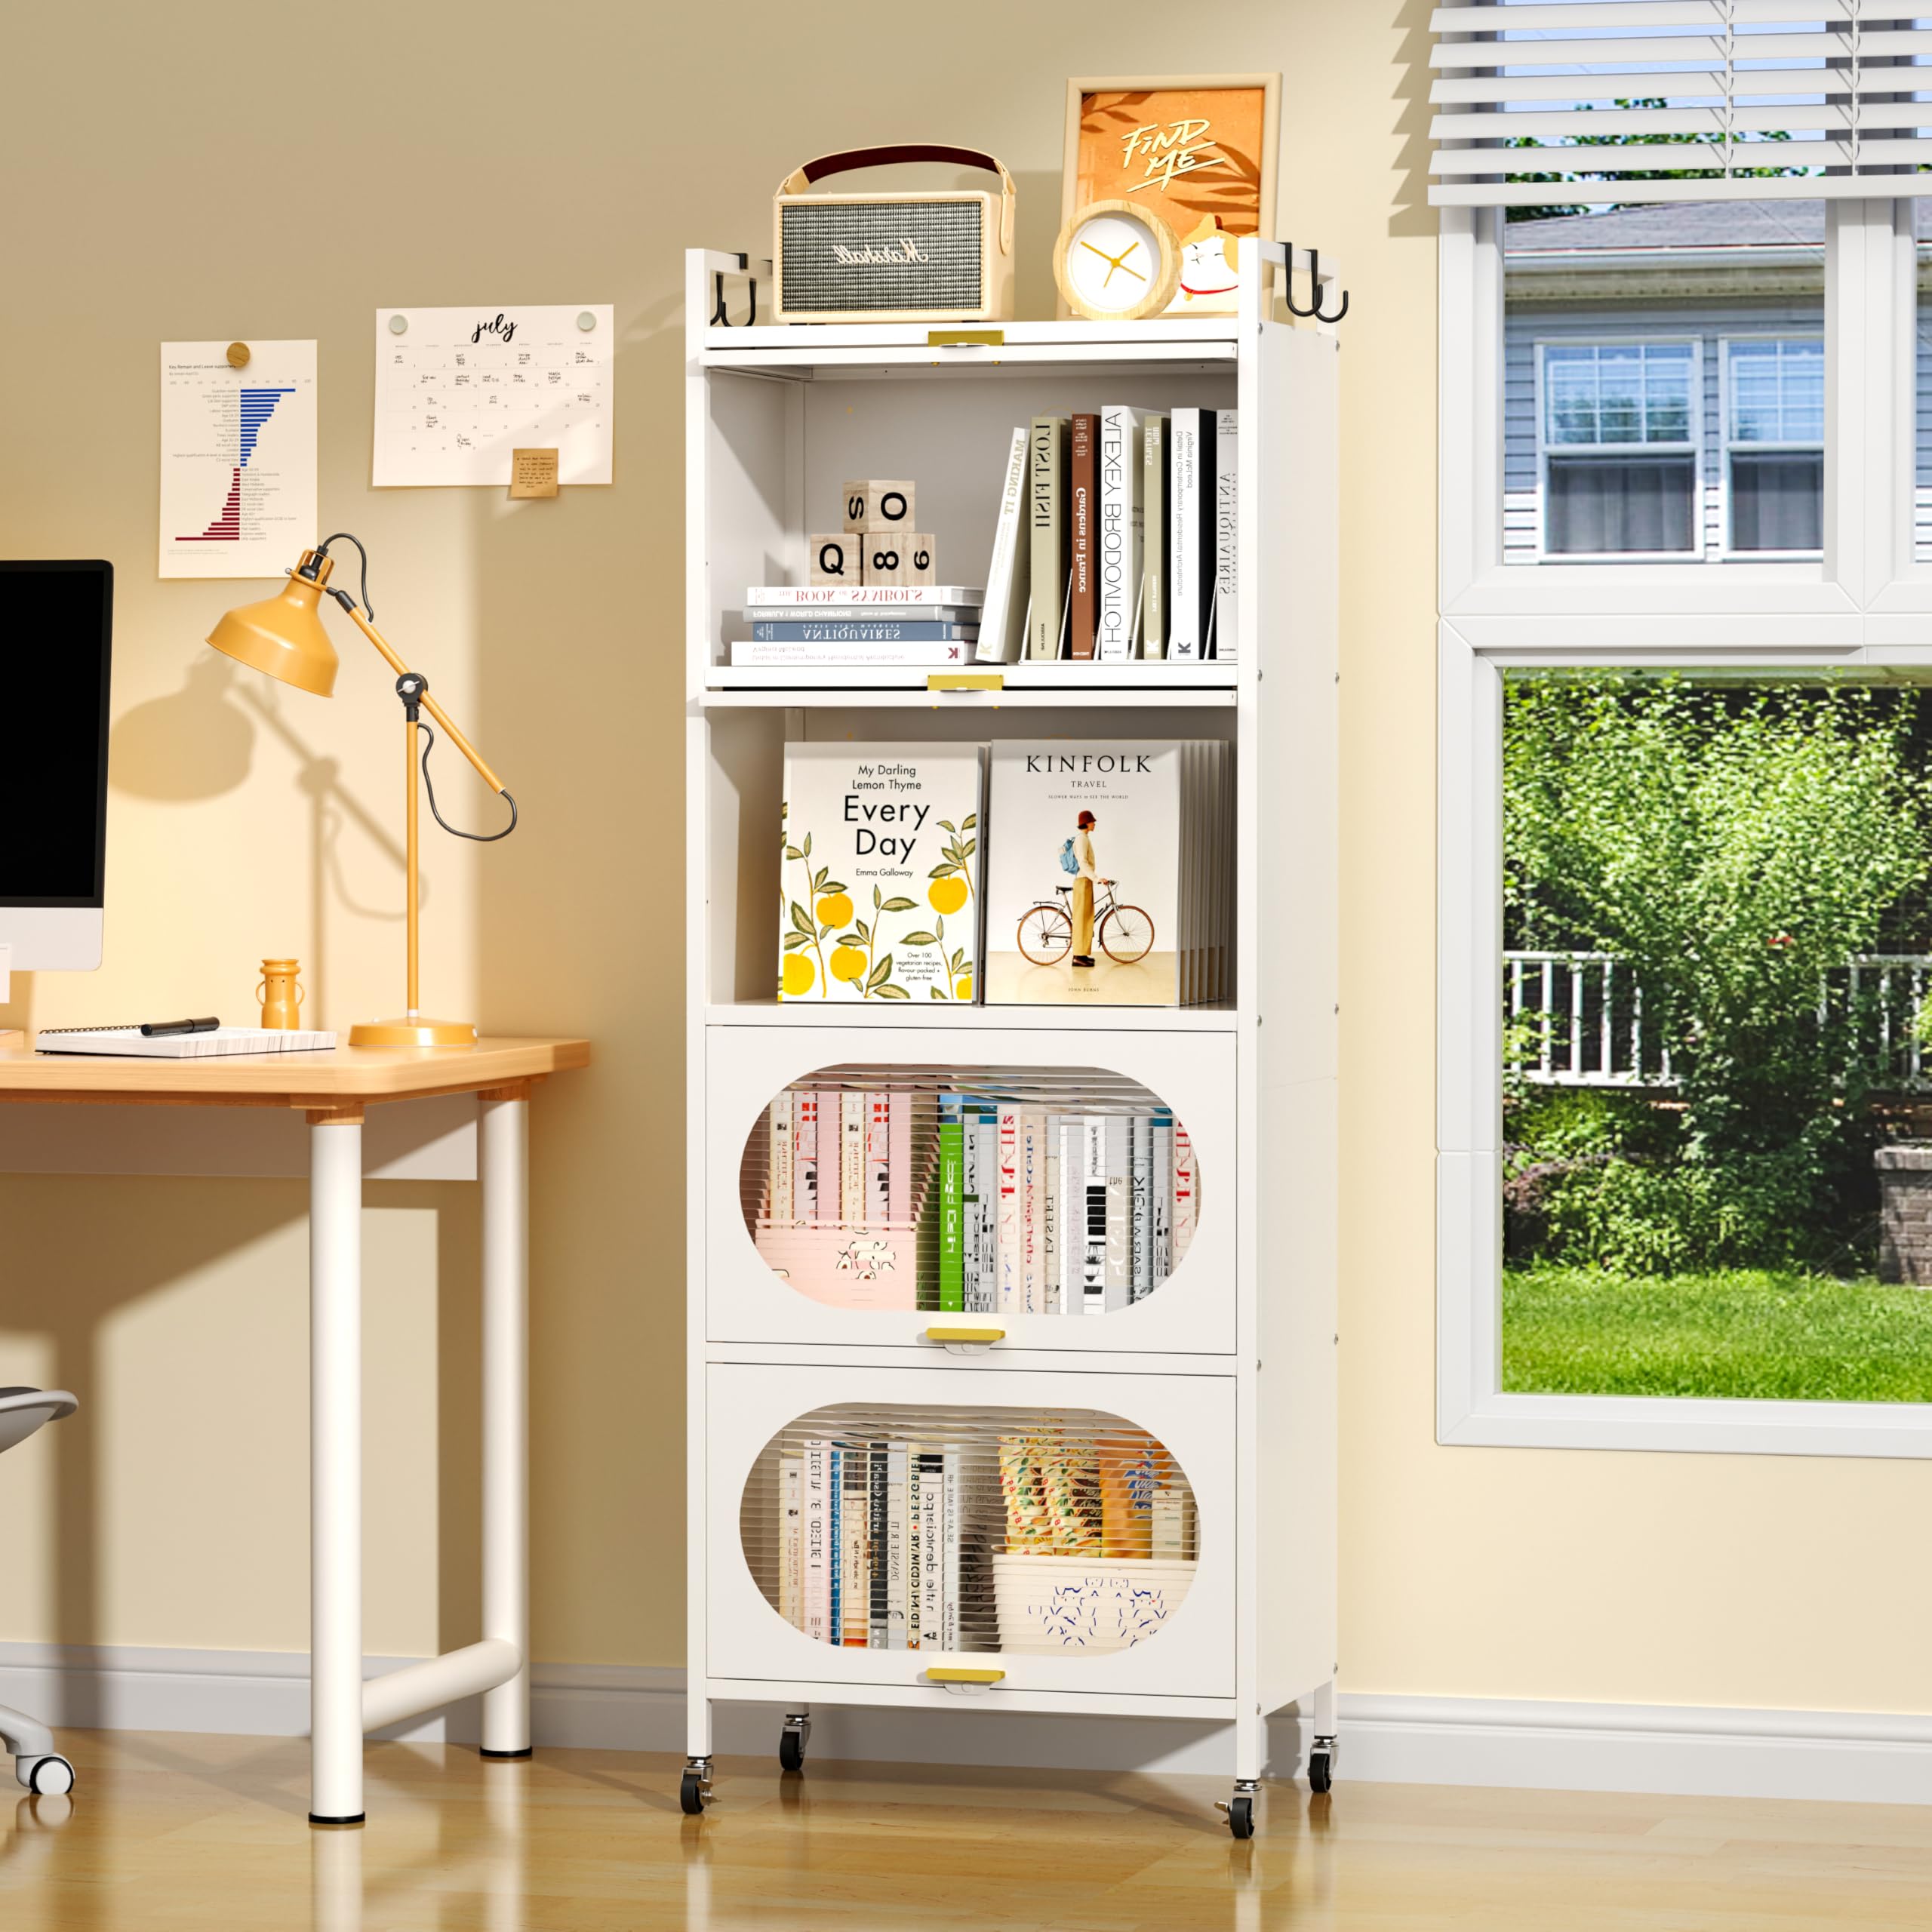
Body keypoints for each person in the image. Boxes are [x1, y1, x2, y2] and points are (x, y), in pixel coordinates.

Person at [1070, 809, 1099, 968]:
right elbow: (1082, 862)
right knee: (1081, 920)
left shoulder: (1084, 838)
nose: (1094, 824)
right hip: (1083, 881)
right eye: (1092, 821)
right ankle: (1078, 958)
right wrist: (1096, 878)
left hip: (1085, 881)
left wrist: (1094, 878)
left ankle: (1082, 954)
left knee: (1085, 918)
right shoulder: (1082, 840)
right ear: (1086, 823)